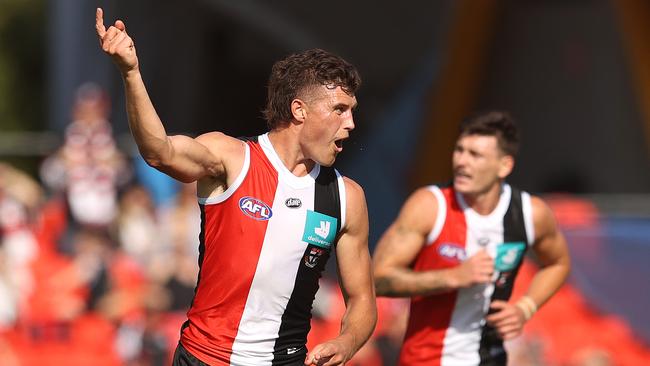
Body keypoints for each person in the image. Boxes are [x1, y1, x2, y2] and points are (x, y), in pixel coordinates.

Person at [95, 8, 376, 366]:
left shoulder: (346, 197)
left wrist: (348, 342)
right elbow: (159, 152)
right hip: (204, 358)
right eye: (339, 109)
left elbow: (363, 300)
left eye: (351, 111)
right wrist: (131, 72)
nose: (350, 123)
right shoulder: (231, 158)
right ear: (300, 110)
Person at [372, 111, 571, 366]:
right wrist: (452, 277)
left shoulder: (530, 214)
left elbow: (558, 264)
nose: (461, 162)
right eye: (459, 150)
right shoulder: (429, 206)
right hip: (426, 360)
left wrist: (526, 307)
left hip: (490, 359)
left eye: (475, 155)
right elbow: (378, 279)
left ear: (504, 166)